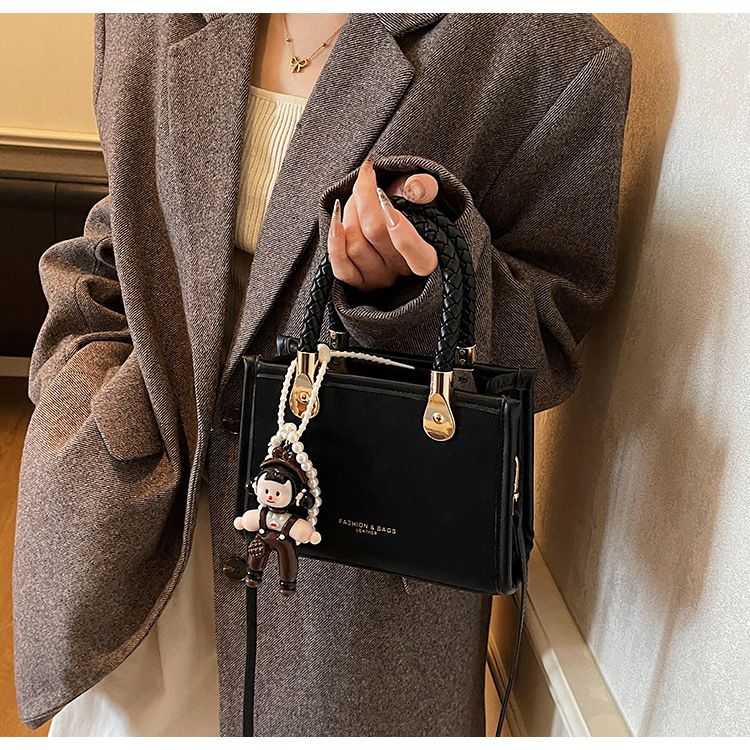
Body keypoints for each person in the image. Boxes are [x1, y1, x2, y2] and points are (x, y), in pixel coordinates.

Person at [13, 12, 632, 737]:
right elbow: (120, 223)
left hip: (352, 592)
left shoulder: (549, 53)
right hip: (137, 526)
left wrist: (413, 294)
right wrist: (81, 378)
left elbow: (551, 328)